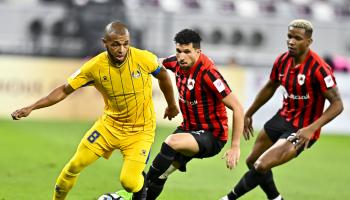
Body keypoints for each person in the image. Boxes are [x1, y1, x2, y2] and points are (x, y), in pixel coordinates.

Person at [11, 21, 179, 200]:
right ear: (105, 43)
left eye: (125, 43)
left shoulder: (143, 58)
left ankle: (138, 188)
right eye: (115, 44)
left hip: (141, 131)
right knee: (73, 167)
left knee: (129, 182)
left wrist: (171, 104)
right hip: (109, 127)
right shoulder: (94, 67)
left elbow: (163, 76)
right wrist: (31, 107)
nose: (122, 49)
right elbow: (63, 90)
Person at [220, 19, 343, 200]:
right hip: (282, 118)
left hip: (303, 129)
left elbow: (337, 104)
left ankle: (228, 198)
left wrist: (312, 128)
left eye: (298, 38)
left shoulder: (319, 68)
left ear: (309, 41)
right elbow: (270, 86)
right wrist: (249, 113)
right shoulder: (282, 60)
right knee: (252, 161)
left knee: (261, 165)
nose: (291, 41)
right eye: (289, 36)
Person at [144, 29, 244, 200]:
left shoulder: (209, 73)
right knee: (162, 175)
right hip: (189, 129)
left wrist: (235, 146)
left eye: (187, 52)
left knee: (171, 142)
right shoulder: (176, 63)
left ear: (198, 52)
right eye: (178, 51)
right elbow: (154, 63)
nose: (181, 57)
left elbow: (238, 107)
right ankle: (143, 192)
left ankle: (138, 187)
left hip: (212, 135)